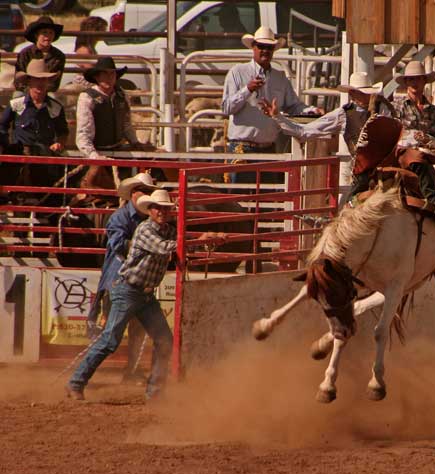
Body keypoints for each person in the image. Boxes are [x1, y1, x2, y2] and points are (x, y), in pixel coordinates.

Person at [66, 190, 227, 401]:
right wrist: (198, 241)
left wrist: (203, 240)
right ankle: (76, 382)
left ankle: (155, 391)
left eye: (165, 208)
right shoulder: (145, 230)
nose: (161, 211)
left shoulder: (168, 230)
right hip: (128, 291)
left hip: (144, 295)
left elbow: (179, 244)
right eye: (158, 207)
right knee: (109, 341)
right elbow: (165, 248)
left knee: (164, 341)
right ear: (150, 210)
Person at [259, 71, 396, 198]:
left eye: (361, 92)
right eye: (356, 92)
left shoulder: (383, 109)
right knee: (351, 208)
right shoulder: (344, 114)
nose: (357, 96)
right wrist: (277, 117)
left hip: (388, 167)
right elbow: (304, 132)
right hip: (362, 173)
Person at [221, 26, 319, 181]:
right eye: (261, 46)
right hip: (242, 148)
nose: (265, 51)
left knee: (267, 200)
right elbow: (226, 108)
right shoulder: (237, 72)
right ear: (253, 47)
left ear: (273, 50)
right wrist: (247, 90)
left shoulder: (280, 77)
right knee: (240, 199)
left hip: (268, 149)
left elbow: (293, 105)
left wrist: (311, 110)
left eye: (269, 47)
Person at [86, 172, 158, 383]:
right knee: (110, 334)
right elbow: (117, 245)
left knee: (133, 330)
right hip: (118, 280)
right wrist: (146, 247)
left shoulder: (147, 218)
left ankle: (130, 370)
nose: (145, 195)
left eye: (148, 191)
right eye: (142, 191)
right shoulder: (120, 217)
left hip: (137, 280)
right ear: (132, 194)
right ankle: (81, 375)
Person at [76, 57, 146, 188]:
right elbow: (83, 133)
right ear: (97, 77)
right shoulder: (87, 97)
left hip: (118, 150)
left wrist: (134, 142)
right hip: (97, 152)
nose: (109, 78)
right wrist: (94, 156)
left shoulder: (121, 95)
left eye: (112, 73)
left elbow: (126, 123)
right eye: (104, 74)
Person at [0, 59, 68, 190]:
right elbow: (2, 126)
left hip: (45, 156)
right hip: (19, 156)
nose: (40, 83)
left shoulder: (55, 107)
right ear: (29, 81)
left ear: (48, 82)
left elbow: (63, 132)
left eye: (43, 79)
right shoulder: (16, 104)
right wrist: (7, 145)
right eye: (36, 79)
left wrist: (59, 143)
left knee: (52, 189)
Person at [393, 60, 435, 149]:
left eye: (418, 78)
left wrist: (427, 138)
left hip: (426, 157)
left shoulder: (434, 111)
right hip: (402, 157)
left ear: (424, 81)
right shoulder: (396, 107)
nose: (414, 82)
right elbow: (390, 136)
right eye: (411, 79)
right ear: (406, 82)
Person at [15, 16, 66, 93]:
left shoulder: (59, 56)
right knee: (18, 95)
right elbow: (18, 81)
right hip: (25, 91)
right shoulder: (25, 53)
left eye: (50, 33)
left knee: (53, 98)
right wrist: (31, 91)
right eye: (44, 32)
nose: (48, 36)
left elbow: (55, 83)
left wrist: (42, 91)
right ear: (36, 35)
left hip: (47, 92)